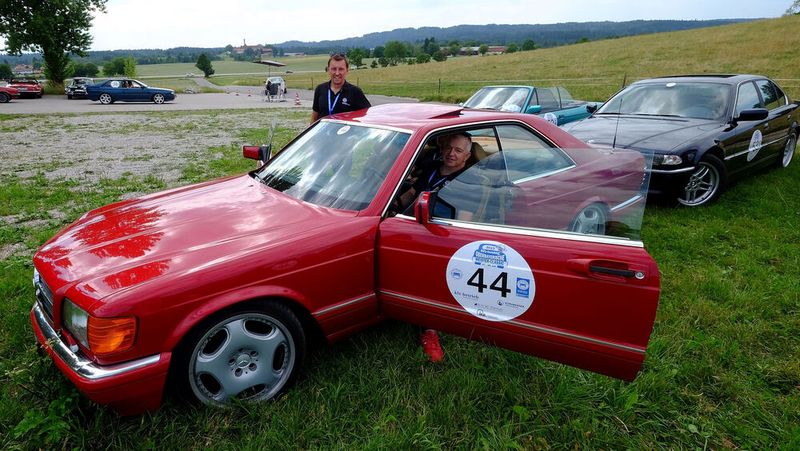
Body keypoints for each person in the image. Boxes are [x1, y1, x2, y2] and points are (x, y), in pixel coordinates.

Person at [310, 53, 371, 123]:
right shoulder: (320, 89)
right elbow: (314, 117)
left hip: (345, 133)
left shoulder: (355, 92)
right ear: (328, 69)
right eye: (334, 69)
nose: (337, 73)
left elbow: (367, 117)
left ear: (347, 70)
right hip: (323, 133)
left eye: (341, 69)